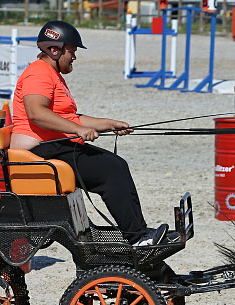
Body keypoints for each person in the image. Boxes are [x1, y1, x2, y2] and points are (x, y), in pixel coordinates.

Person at [11, 20, 172, 247]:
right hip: (38, 152)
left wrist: (107, 124)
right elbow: (36, 113)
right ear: (54, 50)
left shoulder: (52, 74)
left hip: (51, 146)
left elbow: (69, 117)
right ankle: (137, 238)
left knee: (116, 164)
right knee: (111, 169)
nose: (74, 57)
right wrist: (78, 130)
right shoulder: (38, 74)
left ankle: (139, 233)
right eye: (72, 52)